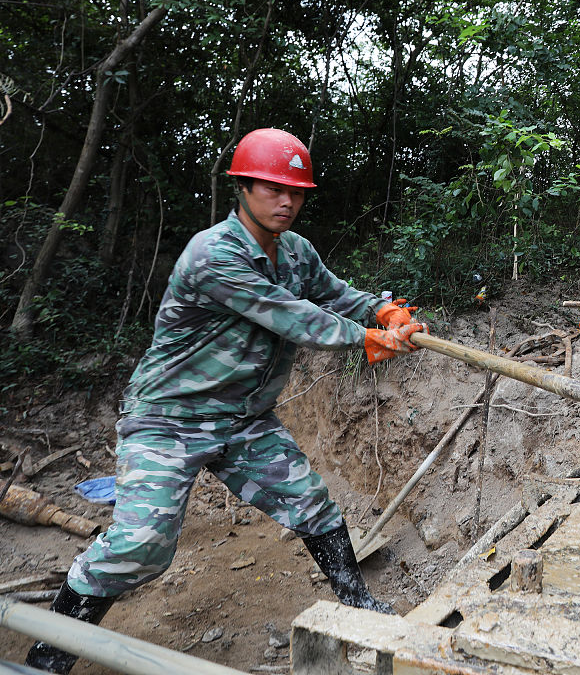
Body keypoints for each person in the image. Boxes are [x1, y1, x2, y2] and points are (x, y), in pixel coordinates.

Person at [26, 128, 426, 673]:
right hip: (168, 418)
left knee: (311, 502)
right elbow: (289, 314)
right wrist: (366, 339)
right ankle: (48, 652)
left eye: (297, 192)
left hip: (242, 419)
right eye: (271, 189)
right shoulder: (213, 254)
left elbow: (333, 294)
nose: (286, 201)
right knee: (139, 546)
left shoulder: (296, 251)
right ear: (242, 187)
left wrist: (383, 310)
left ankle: (358, 601)